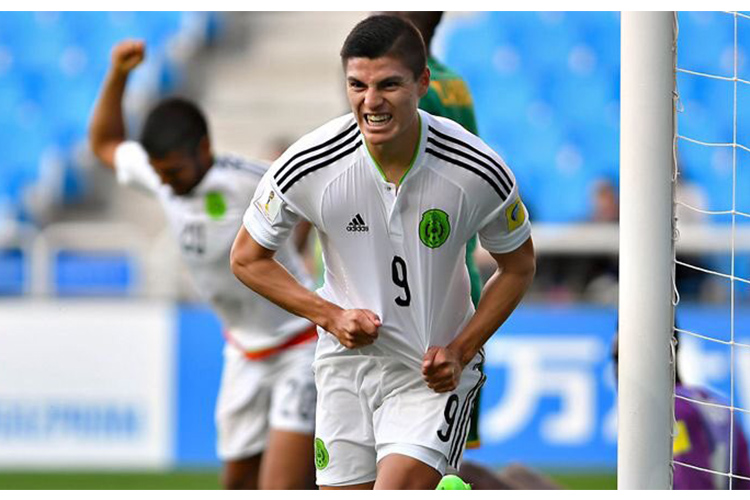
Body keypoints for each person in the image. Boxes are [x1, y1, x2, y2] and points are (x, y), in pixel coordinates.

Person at [231, 15, 535, 490]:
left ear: (422, 82)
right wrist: (330, 315)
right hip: (343, 370)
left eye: (389, 85)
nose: (370, 102)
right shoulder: (309, 163)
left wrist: (460, 350)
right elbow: (247, 257)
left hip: (432, 374)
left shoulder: (477, 169)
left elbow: (519, 266)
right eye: (357, 85)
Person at [88, 39, 317, 490]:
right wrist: (118, 74)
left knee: (280, 487)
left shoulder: (245, 180)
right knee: (235, 485)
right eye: (159, 173)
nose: (167, 184)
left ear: (205, 148)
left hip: (299, 346)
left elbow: (313, 198)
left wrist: (301, 251)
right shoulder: (162, 177)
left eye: (173, 171)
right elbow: (105, 142)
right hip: (243, 351)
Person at [613, 330, 750, 489]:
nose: (617, 369)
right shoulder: (716, 403)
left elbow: (690, 485)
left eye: (620, 358)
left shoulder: (673, 412)